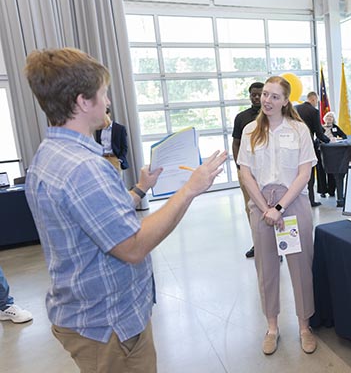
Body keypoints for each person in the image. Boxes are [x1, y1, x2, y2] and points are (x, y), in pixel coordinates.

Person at [23, 47, 227, 373]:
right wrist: (191, 188)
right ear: (82, 102)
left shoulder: (49, 155)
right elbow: (132, 246)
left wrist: (139, 190)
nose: (107, 102)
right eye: (103, 94)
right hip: (109, 325)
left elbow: (97, 220)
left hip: (84, 314)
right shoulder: (85, 168)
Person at [238, 76, 318, 355]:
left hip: (292, 203)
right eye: (265, 95)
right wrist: (264, 208)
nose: (267, 100)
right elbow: (245, 173)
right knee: (266, 268)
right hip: (261, 206)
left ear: (286, 101)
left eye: (274, 96)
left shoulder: (299, 130)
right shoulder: (250, 130)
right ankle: (272, 327)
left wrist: (280, 208)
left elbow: (304, 173)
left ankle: (304, 326)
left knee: (300, 266)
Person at [232, 82, 264, 258]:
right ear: (250, 96)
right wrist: (239, 166)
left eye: (260, 94)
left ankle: (275, 245)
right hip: (247, 172)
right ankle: (257, 243)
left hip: (268, 172)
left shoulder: (273, 115)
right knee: (251, 208)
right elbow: (236, 142)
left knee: (271, 207)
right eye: (254, 94)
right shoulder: (241, 117)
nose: (257, 97)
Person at [296, 91, 330, 207]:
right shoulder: (314, 111)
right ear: (314, 99)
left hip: (293, 146)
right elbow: (319, 133)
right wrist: (329, 140)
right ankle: (311, 200)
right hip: (307, 146)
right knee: (309, 174)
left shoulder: (295, 108)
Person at [320, 111, 347, 202]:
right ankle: (323, 191)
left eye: (331, 117)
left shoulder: (335, 127)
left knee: (332, 171)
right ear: (324, 118)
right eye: (328, 117)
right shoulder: (321, 127)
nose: (329, 118)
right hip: (322, 151)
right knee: (322, 172)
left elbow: (344, 136)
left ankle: (332, 190)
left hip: (333, 152)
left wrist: (338, 139)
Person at [94, 107, 129, 172]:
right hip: (102, 159)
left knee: (117, 181)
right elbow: (98, 144)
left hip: (114, 159)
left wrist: (120, 159)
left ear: (109, 114)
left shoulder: (120, 128)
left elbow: (124, 147)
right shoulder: (98, 129)